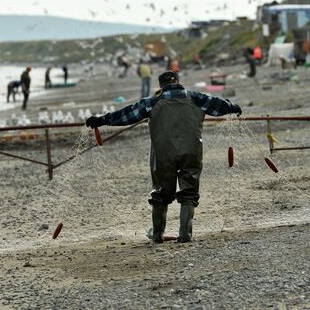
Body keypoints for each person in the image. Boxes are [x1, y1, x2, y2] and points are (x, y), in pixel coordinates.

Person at [85, 71, 242, 244]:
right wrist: (233, 106)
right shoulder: (197, 98)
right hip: (192, 152)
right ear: (179, 82)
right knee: (189, 192)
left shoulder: (152, 102)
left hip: (162, 155)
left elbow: (126, 115)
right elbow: (221, 105)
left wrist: (100, 120)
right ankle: (185, 234)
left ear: (161, 85)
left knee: (161, 193)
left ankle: (158, 235)